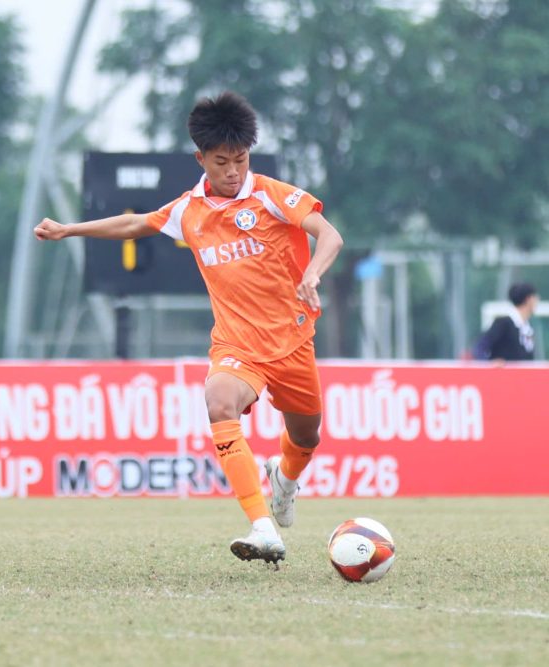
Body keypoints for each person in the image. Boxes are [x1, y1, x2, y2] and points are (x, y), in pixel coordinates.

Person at [35, 91, 344, 564]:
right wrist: (68, 230)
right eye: (221, 162)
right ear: (201, 159)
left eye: (240, 160)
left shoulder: (272, 195)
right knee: (219, 401)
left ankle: (284, 480)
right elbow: (134, 224)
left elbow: (329, 234)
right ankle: (262, 528)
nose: (233, 171)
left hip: (293, 342)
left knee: (306, 437)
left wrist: (312, 273)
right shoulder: (188, 211)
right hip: (237, 345)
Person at [474, 282, 539, 362]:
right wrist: (489, 364)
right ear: (528, 299)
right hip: (503, 374)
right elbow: (481, 346)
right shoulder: (503, 323)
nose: (537, 301)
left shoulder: (527, 328)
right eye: (535, 297)